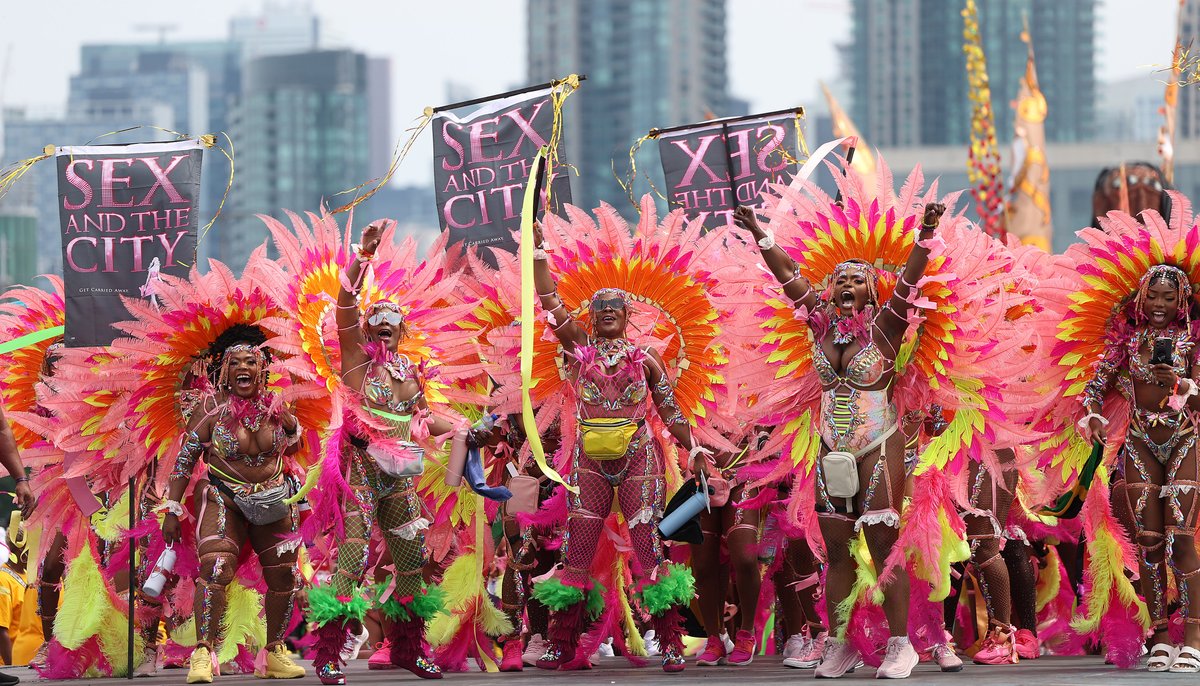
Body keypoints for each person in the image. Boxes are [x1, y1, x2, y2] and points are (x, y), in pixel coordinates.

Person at [733, 201, 944, 679]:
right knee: (837, 547)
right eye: (840, 279)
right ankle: (841, 641)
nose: (846, 285)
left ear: (872, 290)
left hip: (878, 442)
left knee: (881, 541)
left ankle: (899, 644)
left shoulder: (888, 326)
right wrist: (759, 232)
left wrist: (926, 233)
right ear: (830, 290)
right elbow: (787, 275)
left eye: (857, 279)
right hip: (831, 446)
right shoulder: (820, 325)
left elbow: (910, 281)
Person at [528, 220, 708, 674]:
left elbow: (669, 412)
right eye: (599, 307)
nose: (607, 310)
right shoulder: (580, 350)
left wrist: (696, 449)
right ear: (590, 317)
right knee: (577, 551)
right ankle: (562, 643)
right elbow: (550, 301)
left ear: (629, 316)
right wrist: (538, 252)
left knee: (649, 548)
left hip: (639, 461)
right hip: (588, 463)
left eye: (616, 307)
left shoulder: (646, 359)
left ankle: (669, 642)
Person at [307, 221, 483, 684]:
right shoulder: (358, 365)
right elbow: (344, 307)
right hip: (363, 476)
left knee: (410, 564)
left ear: (402, 331)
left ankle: (408, 648)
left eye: (391, 327)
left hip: (401, 478)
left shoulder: (410, 373)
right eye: (375, 326)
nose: (383, 332)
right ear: (366, 331)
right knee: (351, 559)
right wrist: (362, 261)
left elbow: (425, 419)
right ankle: (329, 653)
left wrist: (467, 428)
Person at [162, 331, 306, 683]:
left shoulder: (277, 406)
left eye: (251, 362)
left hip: (273, 498)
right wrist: (171, 508)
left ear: (262, 370)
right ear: (224, 372)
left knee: (285, 575)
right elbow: (184, 461)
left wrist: (291, 426)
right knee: (215, 568)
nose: (244, 368)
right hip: (224, 498)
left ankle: (274, 652)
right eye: (236, 363)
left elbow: (296, 445)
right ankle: (202, 652)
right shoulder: (210, 408)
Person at [1080, 263, 1200, 672]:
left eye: (1169, 297)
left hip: (1184, 439)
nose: (1160, 305)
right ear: (1140, 298)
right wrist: (1093, 416)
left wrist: (1181, 385)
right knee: (1149, 545)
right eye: (1153, 296)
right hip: (1138, 444)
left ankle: (1195, 640)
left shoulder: (1192, 341)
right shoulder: (1128, 340)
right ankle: (1161, 636)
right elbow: (1095, 386)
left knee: (1181, 540)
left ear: (1182, 300)